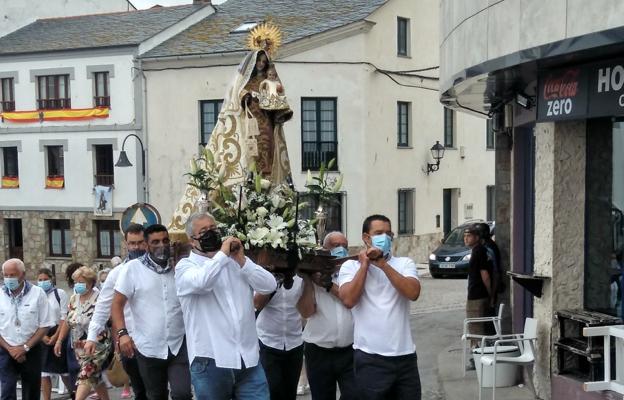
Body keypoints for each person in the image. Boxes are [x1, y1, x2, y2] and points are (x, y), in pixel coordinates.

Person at [176, 212, 277, 399]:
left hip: (247, 359)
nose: (211, 234)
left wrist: (242, 261)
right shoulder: (185, 267)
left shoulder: (234, 263)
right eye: (204, 231)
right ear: (192, 240)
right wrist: (222, 254)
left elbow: (269, 285)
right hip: (211, 361)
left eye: (213, 229)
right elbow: (202, 282)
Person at [338, 215, 421, 400]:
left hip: (405, 357)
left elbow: (413, 292)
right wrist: (365, 266)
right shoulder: (350, 267)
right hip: (370, 358)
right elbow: (349, 299)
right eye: (379, 233)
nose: (385, 237)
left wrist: (383, 265)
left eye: (388, 233)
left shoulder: (404, 264)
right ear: (366, 238)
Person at [111, 224, 192, 400]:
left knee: (182, 393)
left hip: (178, 344)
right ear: (146, 246)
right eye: (155, 242)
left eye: (164, 240)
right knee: (156, 395)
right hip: (148, 347)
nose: (161, 245)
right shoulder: (132, 269)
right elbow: (116, 304)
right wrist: (122, 334)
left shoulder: (180, 267)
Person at [84, 223, 148, 400]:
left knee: (156, 389)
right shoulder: (117, 274)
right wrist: (91, 338)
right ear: (126, 244)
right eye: (132, 243)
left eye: (141, 243)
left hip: (154, 340)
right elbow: (102, 308)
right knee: (140, 389)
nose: (136, 247)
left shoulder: (156, 270)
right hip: (129, 341)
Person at [297, 232, 356, 400]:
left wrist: (327, 285)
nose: (341, 250)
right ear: (325, 249)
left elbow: (350, 300)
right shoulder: (311, 276)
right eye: (336, 245)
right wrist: (309, 280)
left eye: (344, 246)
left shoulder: (352, 275)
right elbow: (306, 312)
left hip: (349, 351)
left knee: (356, 394)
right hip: (319, 352)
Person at [54, 267, 112, 400]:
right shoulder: (74, 299)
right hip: (79, 345)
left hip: (98, 343)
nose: (78, 285)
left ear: (91, 282)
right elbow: (68, 321)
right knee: (94, 377)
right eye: (76, 282)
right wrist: (59, 340)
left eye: (81, 281)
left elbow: (106, 319)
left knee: (86, 375)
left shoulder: (100, 299)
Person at [0, 258, 53, 400]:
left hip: (32, 349)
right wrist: (11, 349)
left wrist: (25, 348)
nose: (9, 279)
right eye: (6, 275)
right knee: (7, 391)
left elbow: (44, 325)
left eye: (13, 275)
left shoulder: (38, 294)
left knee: (31, 393)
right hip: (6, 350)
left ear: (23, 275)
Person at [255, 272, 304, 400]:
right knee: (271, 390)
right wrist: (273, 280)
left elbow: (307, 309)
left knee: (289, 392)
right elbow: (257, 304)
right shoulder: (263, 274)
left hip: (295, 342)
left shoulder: (301, 277)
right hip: (268, 341)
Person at [37, 267, 71, 400]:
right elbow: (33, 317)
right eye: (40, 280)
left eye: (45, 279)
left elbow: (64, 317)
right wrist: (43, 336)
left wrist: (56, 337)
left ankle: (73, 393)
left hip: (58, 331)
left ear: (51, 280)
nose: (43, 282)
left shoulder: (59, 293)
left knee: (63, 370)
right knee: (44, 372)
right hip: (41, 332)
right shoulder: (36, 294)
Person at [463, 224, 493, 350]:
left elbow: (484, 274)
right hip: (477, 294)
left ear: (476, 237)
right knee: (475, 328)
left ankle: (477, 357)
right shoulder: (478, 250)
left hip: (477, 296)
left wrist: (490, 294)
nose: (466, 239)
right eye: (464, 236)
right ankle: (477, 355)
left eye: (469, 236)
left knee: (476, 329)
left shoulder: (479, 251)